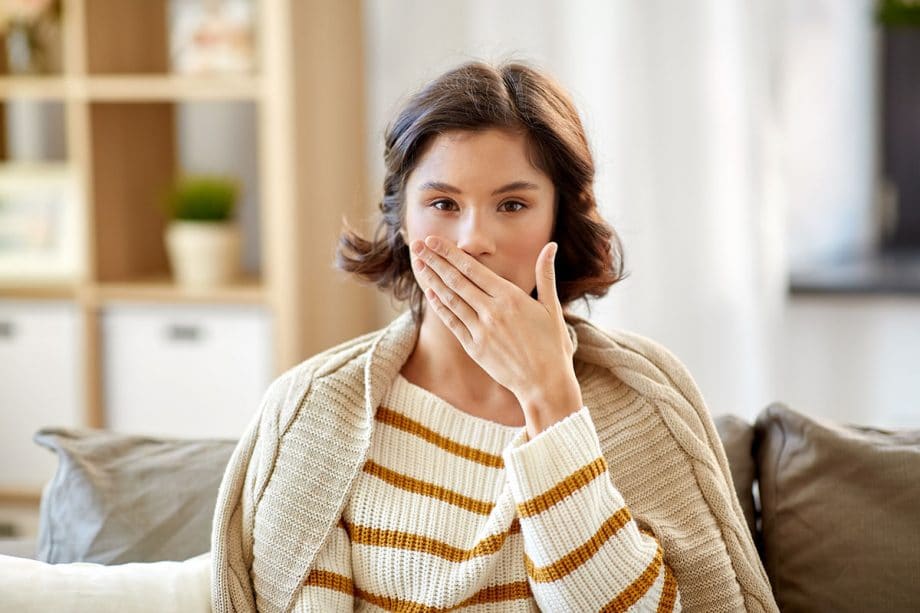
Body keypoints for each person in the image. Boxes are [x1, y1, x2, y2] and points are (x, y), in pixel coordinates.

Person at [210, 60, 778, 613]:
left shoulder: (643, 398)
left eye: (512, 204)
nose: (474, 239)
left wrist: (550, 398)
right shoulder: (315, 408)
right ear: (404, 222)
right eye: (442, 204)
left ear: (559, 218)